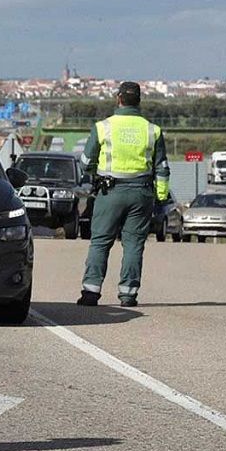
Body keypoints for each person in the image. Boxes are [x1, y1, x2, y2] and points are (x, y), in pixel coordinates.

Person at [77, 81, 170, 308]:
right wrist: (160, 197)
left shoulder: (103, 127)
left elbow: (86, 162)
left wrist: (94, 174)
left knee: (100, 241)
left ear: (118, 99)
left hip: (110, 191)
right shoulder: (152, 130)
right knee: (134, 244)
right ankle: (128, 294)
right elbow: (162, 168)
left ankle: (91, 292)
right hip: (141, 193)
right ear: (138, 101)